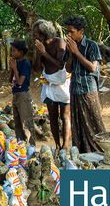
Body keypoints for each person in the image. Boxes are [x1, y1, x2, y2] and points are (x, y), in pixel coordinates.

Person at [63, 16, 106, 153]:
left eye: (71, 31)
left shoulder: (91, 45)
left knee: (94, 124)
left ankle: (102, 152)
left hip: (88, 90)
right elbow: (68, 69)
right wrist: (70, 54)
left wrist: (76, 52)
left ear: (80, 31)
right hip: (75, 89)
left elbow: (93, 68)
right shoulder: (69, 47)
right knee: (78, 125)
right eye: (67, 32)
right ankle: (83, 154)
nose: (69, 35)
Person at [32, 19, 71, 151]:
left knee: (65, 115)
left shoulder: (59, 42)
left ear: (44, 34)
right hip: (48, 84)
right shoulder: (39, 47)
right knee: (53, 117)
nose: (34, 37)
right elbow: (37, 69)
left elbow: (60, 64)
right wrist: (38, 54)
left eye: (36, 34)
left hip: (62, 83)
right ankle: (58, 145)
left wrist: (44, 53)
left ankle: (65, 145)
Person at [9, 40, 36, 146]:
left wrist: (15, 69)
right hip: (15, 94)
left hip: (23, 95)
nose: (12, 53)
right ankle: (21, 146)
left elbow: (20, 82)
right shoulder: (16, 62)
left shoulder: (25, 63)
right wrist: (12, 69)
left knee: (26, 123)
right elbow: (10, 80)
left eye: (14, 51)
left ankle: (31, 147)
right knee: (18, 124)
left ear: (21, 52)